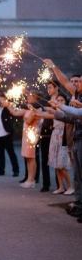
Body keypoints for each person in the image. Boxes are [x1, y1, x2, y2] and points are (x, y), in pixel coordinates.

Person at [43, 59, 82, 214]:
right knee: (78, 176)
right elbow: (71, 118)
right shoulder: (77, 96)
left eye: (79, 82)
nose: (76, 84)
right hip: (75, 139)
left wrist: (60, 106)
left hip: (80, 139)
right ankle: (78, 203)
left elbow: (78, 114)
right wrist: (56, 113)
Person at [32, 94, 74, 195]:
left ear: (66, 102)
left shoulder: (67, 113)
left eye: (62, 100)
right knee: (56, 164)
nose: (59, 102)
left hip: (62, 138)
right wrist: (33, 108)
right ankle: (60, 187)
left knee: (61, 165)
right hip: (55, 137)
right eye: (58, 100)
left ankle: (70, 187)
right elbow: (44, 115)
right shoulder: (55, 112)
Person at [6, 90, 43, 188]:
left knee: (31, 157)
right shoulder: (28, 108)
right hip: (26, 134)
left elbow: (29, 121)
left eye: (30, 96)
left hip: (32, 134)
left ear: (35, 98)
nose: (27, 97)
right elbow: (15, 113)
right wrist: (8, 105)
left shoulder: (36, 109)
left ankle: (32, 180)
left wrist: (26, 116)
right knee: (27, 157)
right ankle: (28, 179)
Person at [0, 93, 19, 177]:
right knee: (0, 154)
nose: (0, 102)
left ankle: (16, 170)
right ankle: (1, 170)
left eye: (2, 100)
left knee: (11, 153)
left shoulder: (8, 108)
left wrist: (8, 105)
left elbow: (14, 113)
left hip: (6, 134)